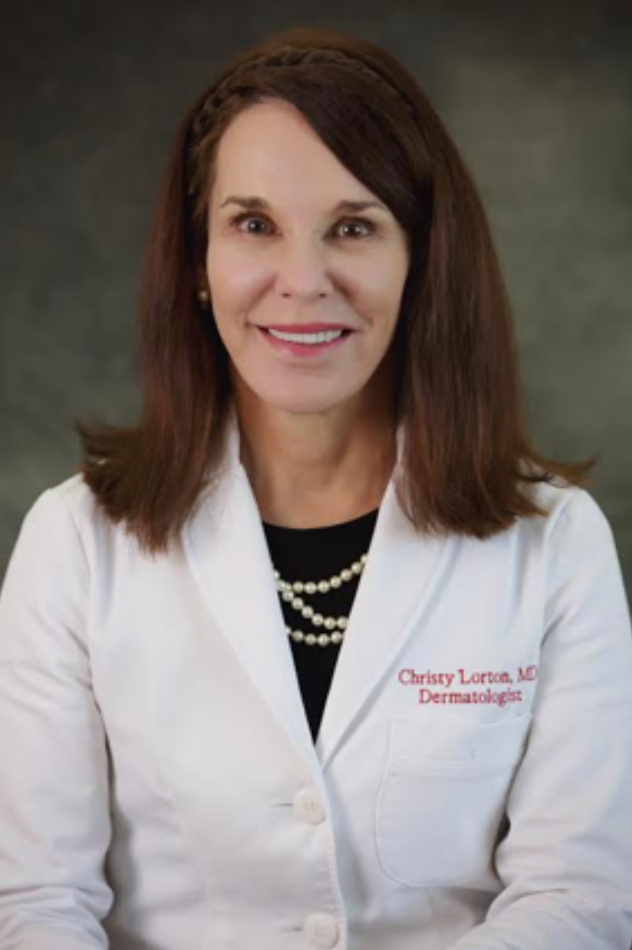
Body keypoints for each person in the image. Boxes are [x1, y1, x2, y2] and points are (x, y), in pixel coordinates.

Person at [0, 24, 631, 950]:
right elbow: (35, 903)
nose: (302, 282)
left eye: (353, 227)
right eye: (254, 225)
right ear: (199, 265)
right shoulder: (74, 543)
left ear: (422, 262)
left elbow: (578, 897)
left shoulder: (555, 544)